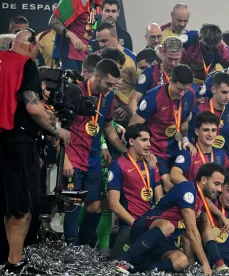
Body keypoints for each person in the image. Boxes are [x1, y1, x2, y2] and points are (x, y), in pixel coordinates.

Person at [0, 30, 70, 272]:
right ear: (29, 45)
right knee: (23, 207)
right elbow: (32, 105)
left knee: (9, 204)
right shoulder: (26, 65)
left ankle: (10, 257)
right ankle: (15, 263)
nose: (38, 53)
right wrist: (57, 129)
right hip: (18, 142)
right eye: (38, 48)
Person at [62, 59, 127, 246]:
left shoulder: (108, 97)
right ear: (96, 76)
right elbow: (59, 125)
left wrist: (124, 151)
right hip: (73, 156)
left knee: (95, 206)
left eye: (113, 85)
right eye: (108, 84)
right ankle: (71, 252)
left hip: (93, 158)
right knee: (73, 206)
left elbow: (107, 126)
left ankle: (84, 248)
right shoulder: (74, 91)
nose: (109, 89)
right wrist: (64, 158)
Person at [116, 163, 226, 274]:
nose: (220, 189)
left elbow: (186, 235)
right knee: (168, 226)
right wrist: (205, 264)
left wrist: (191, 264)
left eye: (221, 185)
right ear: (203, 180)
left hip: (164, 241)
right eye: (216, 184)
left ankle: (135, 269)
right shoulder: (188, 190)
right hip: (144, 229)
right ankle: (124, 260)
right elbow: (191, 230)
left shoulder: (201, 199)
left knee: (181, 262)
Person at [129, 64, 197, 191]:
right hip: (155, 150)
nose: (182, 93)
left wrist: (186, 140)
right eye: (178, 89)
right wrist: (144, 150)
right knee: (168, 184)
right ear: (170, 80)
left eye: (185, 89)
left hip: (175, 149)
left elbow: (184, 121)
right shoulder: (153, 97)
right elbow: (133, 127)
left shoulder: (191, 95)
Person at [107, 124, 163, 259]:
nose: (149, 144)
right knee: (120, 266)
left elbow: (160, 199)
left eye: (149, 140)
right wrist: (135, 223)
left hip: (151, 225)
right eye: (144, 140)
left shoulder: (151, 164)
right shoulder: (118, 165)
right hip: (130, 225)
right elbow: (113, 204)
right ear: (131, 141)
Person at [96, 22, 139, 124]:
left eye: (104, 41)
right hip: (101, 113)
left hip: (125, 117)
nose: (101, 45)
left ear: (115, 37)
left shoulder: (133, 60)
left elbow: (140, 91)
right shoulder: (96, 58)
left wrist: (127, 108)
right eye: (99, 41)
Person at [129, 36, 185, 114]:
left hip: (176, 120)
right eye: (170, 58)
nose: (173, 63)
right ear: (162, 52)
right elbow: (133, 100)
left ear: (181, 53)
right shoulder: (150, 73)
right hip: (152, 122)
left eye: (176, 59)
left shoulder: (186, 74)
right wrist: (137, 121)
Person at [171, 112, 229, 183]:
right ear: (197, 132)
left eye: (213, 130)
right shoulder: (189, 153)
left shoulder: (221, 153)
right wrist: (193, 190)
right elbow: (174, 174)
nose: (210, 134)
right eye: (206, 130)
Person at [49, 0, 102, 72]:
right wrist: (72, 36)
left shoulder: (97, 4)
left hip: (87, 58)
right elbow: (53, 22)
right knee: (71, 83)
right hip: (70, 57)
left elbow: (89, 30)